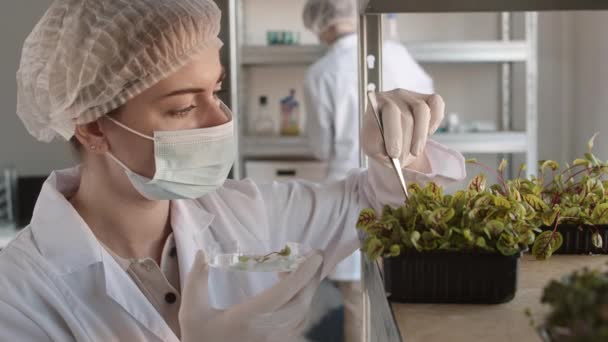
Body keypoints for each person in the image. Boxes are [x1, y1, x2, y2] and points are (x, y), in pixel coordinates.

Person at [0, 0, 465, 341]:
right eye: (183, 107)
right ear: (92, 128)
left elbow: (374, 206)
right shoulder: (18, 295)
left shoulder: (244, 214)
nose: (221, 119)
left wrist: (399, 154)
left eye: (215, 91)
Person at [302, 0, 435, 340]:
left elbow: (321, 147)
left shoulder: (321, 73)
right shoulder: (400, 57)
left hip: (349, 198)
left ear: (321, 24)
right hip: (408, 190)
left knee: (357, 304)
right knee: (410, 305)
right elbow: (429, 115)